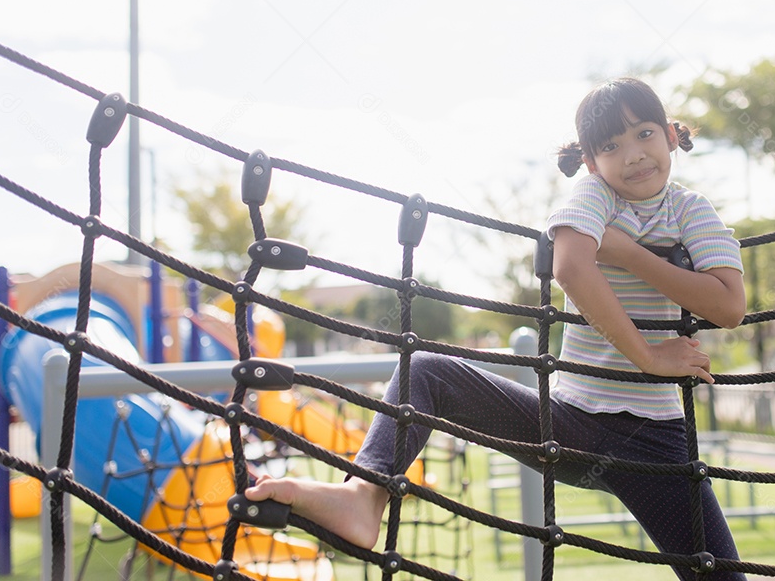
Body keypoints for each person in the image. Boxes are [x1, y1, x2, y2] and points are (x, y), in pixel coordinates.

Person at [247, 77, 747, 580]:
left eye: (643, 134)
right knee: (425, 371)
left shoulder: (690, 210)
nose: (633, 154)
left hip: (656, 439)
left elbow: (729, 306)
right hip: (568, 426)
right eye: (611, 146)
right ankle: (362, 496)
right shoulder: (595, 196)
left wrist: (627, 254)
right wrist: (651, 356)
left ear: (669, 135)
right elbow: (572, 267)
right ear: (592, 163)